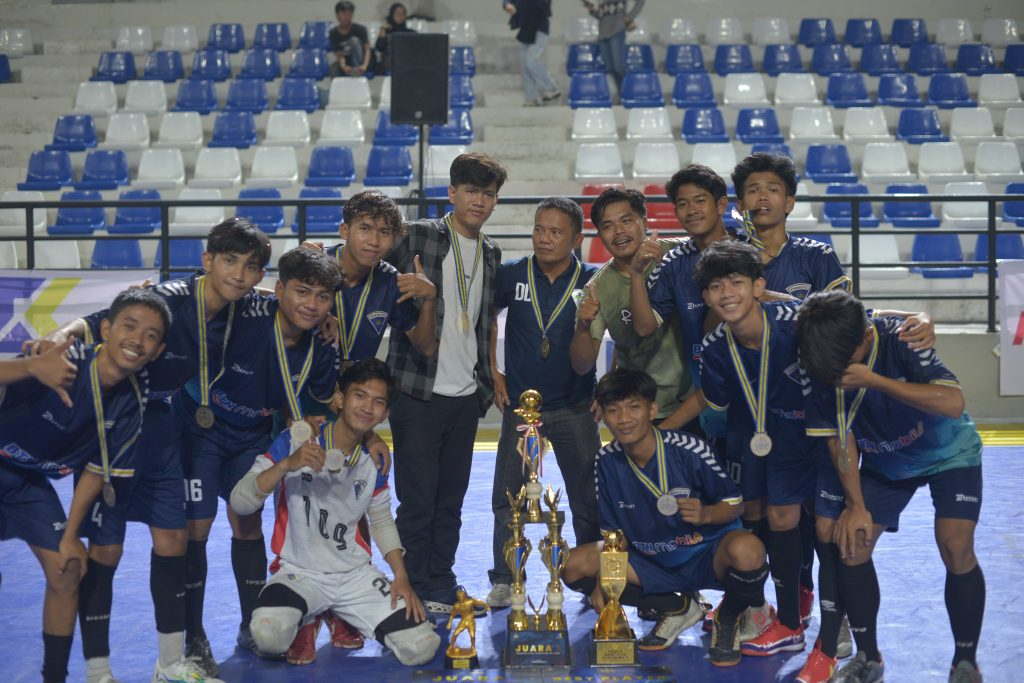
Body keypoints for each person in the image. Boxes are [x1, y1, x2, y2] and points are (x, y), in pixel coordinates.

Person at [32, 218, 271, 683]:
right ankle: (99, 671)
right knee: (106, 550)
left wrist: (326, 320)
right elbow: (100, 319)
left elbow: (293, 300)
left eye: (250, 267)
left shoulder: (248, 306)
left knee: (176, 538)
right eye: (229, 261)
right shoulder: (169, 298)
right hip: (116, 422)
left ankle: (173, 661)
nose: (239, 274)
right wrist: (59, 338)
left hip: (164, 425)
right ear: (207, 261)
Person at [797, 290, 985, 683]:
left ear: (866, 336)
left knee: (956, 545)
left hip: (948, 453)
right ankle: (869, 658)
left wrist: (875, 380)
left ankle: (965, 662)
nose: (836, 369)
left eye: (844, 360)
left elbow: (954, 402)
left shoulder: (901, 339)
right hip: (885, 461)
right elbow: (839, 437)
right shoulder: (818, 355)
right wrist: (856, 505)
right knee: (852, 544)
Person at [284, 189, 436, 664]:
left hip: (353, 409)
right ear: (344, 229)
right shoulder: (313, 265)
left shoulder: (389, 281)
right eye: (365, 228)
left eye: (385, 232)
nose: (374, 240)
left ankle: (343, 611)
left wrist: (429, 299)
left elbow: (425, 345)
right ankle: (304, 617)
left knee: (353, 503)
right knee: (300, 505)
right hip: (304, 404)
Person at [178, 247, 340, 674]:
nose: (312, 305)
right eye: (301, 292)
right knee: (196, 528)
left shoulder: (323, 342)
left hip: (251, 434)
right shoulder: (245, 312)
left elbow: (321, 402)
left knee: (247, 523)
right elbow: (213, 285)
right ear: (279, 289)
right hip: (201, 427)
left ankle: (250, 624)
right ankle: (193, 635)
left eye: (323, 297)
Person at [0, 288, 170, 683]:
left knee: (68, 569)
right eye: (129, 326)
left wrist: (70, 536)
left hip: (25, 482)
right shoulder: (64, 359)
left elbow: (96, 470)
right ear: (106, 329)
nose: (137, 340)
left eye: (149, 335)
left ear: (157, 351)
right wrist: (32, 368)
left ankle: (54, 677)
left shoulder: (131, 401)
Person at [229, 359, 440, 667]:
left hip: (354, 576)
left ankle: (340, 613)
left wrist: (401, 576)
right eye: (359, 395)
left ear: (385, 414)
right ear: (340, 398)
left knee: (421, 646)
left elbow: (381, 520)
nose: (367, 407)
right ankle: (310, 615)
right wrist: (286, 464)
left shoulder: (375, 460)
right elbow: (240, 503)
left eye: (378, 402)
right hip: (299, 573)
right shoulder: (296, 441)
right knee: (268, 635)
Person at [560, 368, 769, 666]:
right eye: (613, 410)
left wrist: (707, 513)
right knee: (572, 566)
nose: (624, 418)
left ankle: (727, 618)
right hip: (651, 562)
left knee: (749, 550)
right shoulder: (605, 462)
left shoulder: (690, 449)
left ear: (653, 409)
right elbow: (614, 535)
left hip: (706, 556)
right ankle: (676, 607)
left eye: (634, 407)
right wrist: (605, 580)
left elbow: (735, 505)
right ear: (602, 416)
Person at [385, 152, 507, 613]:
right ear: (452, 193)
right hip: (417, 389)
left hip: (465, 395)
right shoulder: (417, 235)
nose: (479, 201)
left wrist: (489, 371)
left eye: (488, 194)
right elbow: (368, 266)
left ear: (495, 201)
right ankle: (414, 587)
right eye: (471, 191)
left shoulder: (491, 252)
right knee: (418, 501)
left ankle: (441, 581)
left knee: (450, 501)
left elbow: (484, 319)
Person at [695, 240, 816, 658]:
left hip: (811, 433)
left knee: (806, 522)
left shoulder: (798, 320)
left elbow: (859, 321)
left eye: (736, 282)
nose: (726, 293)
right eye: (715, 286)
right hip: (753, 437)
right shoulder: (715, 347)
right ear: (706, 296)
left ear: (759, 286)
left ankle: (795, 618)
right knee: (755, 515)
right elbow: (715, 406)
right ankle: (755, 604)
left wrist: (918, 318)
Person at [485, 197, 601, 609]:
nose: (544, 238)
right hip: (522, 408)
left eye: (555, 232)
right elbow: (487, 316)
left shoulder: (594, 280)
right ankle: (505, 579)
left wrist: (608, 386)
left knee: (587, 495)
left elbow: (621, 336)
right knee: (508, 496)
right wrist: (493, 369)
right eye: (539, 229)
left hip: (575, 405)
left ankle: (592, 579)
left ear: (577, 239)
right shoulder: (512, 274)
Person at [569, 187, 694, 431]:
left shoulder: (678, 255)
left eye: (626, 221)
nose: (618, 231)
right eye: (608, 226)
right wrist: (583, 326)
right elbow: (582, 366)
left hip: (693, 402)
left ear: (644, 222)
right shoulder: (596, 288)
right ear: (599, 234)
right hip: (640, 408)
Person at [581, 0, 645, 93]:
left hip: (616, 30)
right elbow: (603, 15)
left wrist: (630, 17)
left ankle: (631, 92)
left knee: (619, 67)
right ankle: (622, 94)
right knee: (610, 68)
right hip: (603, 33)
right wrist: (592, 10)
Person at [512, 0, 561, 106]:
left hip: (540, 28)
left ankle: (552, 88)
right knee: (525, 65)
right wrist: (507, 5)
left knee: (531, 60)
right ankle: (531, 98)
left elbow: (543, 6)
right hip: (525, 29)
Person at [330, 1, 373, 77]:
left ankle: (357, 71)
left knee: (354, 40)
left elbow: (367, 49)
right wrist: (344, 66)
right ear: (337, 15)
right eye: (343, 14)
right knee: (333, 69)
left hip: (361, 61)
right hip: (346, 62)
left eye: (349, 14)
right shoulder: (333, 33)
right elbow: (339, 54)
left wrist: (364, 65)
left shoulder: (360, 29)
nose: (346, 17)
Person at [375, 3, 415, 73]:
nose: (400, 16)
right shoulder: (387, 32)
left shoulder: (411, 33)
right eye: (398, 13)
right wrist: (383, 29)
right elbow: (380, 47)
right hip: (390, 63)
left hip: (407, 63)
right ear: (392, 15)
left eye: (403, 14)